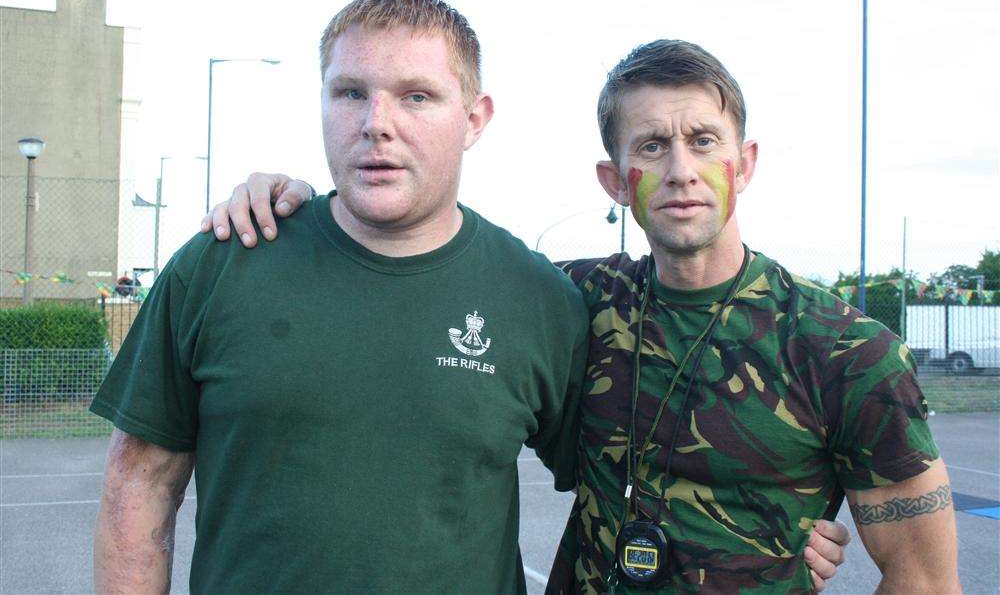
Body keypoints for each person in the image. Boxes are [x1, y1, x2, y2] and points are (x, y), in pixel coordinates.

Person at [213, 40, 960, 592]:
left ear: (746, 162)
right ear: (614, 179)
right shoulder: (569, 301)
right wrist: (300, 205)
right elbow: (428, 256)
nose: (679, 169)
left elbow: (924, 577)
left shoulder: (844, 349)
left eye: (704, 140)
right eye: (651, 145)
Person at [91, 0, 592, 593]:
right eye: (351, 92)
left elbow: (616, 491)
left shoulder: (538, 297)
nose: (377, 123)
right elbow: (138, 485)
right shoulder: (221, 263)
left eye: (417, 96)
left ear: (474, 118)